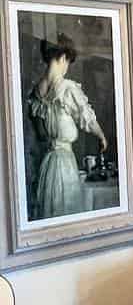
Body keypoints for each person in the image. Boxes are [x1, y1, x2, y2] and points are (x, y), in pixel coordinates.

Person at [27, 32, 108, 221]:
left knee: (50, 210)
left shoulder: (36, 93)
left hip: (47, 164)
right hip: (64, 164)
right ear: (63, 57)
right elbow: (86, 118)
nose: (67, 68)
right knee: (66, 212)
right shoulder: (67, 88)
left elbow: (40, 134)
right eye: (68, 62)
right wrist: (101, 135)